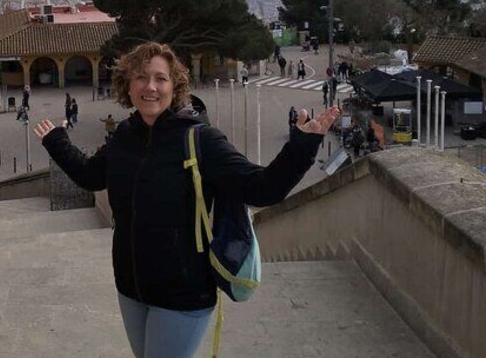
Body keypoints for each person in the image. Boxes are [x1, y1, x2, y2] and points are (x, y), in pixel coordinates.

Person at [33, 42, 339, 357]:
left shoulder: (200, 139)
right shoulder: (124, 136)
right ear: (127, 84)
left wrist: (302, 146)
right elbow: (91, 176)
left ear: (175, 86)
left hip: (183, 293)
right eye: (140, 77)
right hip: (131, 288)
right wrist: (57, 142)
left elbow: (263, 189)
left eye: (160, 78)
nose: (150, 87)